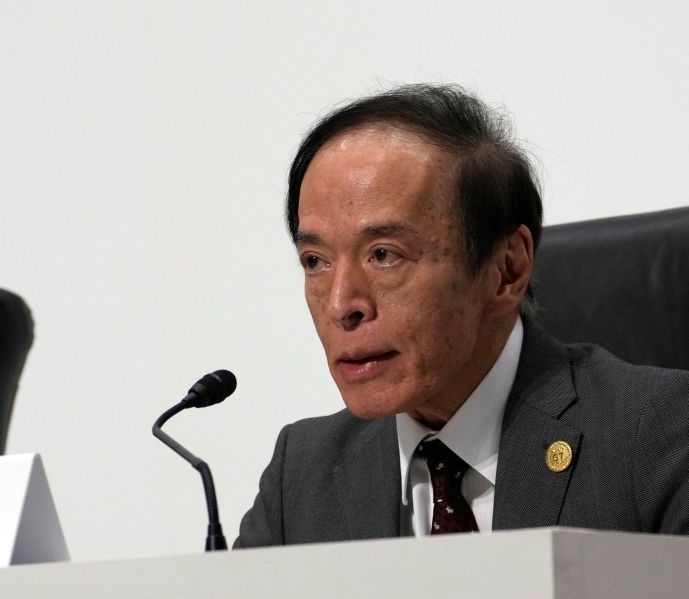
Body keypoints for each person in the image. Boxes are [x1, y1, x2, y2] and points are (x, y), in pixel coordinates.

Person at [234, 84, 689, 547]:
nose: (341, 305)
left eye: (385, 255)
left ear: (506, 269)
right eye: (315, 261)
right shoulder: (302, 475)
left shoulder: (659, 435)